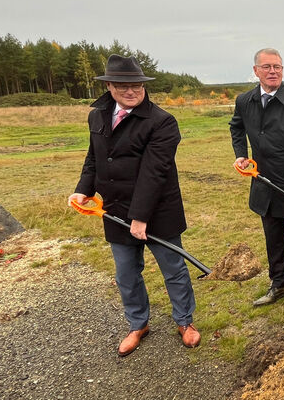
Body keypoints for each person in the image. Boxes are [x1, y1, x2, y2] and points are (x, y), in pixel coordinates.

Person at [68, 54, 200, 357]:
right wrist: (82, 190)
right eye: (123, 85)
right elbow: (94, 158)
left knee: (173, 270)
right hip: (115, 211)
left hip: (158, 211)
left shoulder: (162, 122)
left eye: (136, 85)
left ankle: (185, 321)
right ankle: (138, 323)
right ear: (109, 87)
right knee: (126, 273)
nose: (131, 91)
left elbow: (155, 171)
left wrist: (140, 217)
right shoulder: (97, 116)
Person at [230, 48, 284, 309]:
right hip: (263, 183)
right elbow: (236, 126)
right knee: (272, 236)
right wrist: (240, 154)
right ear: (256, 71)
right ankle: (279, 282)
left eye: (277, 67)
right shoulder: (245, 101)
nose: (273, 72)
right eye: (267, 67)